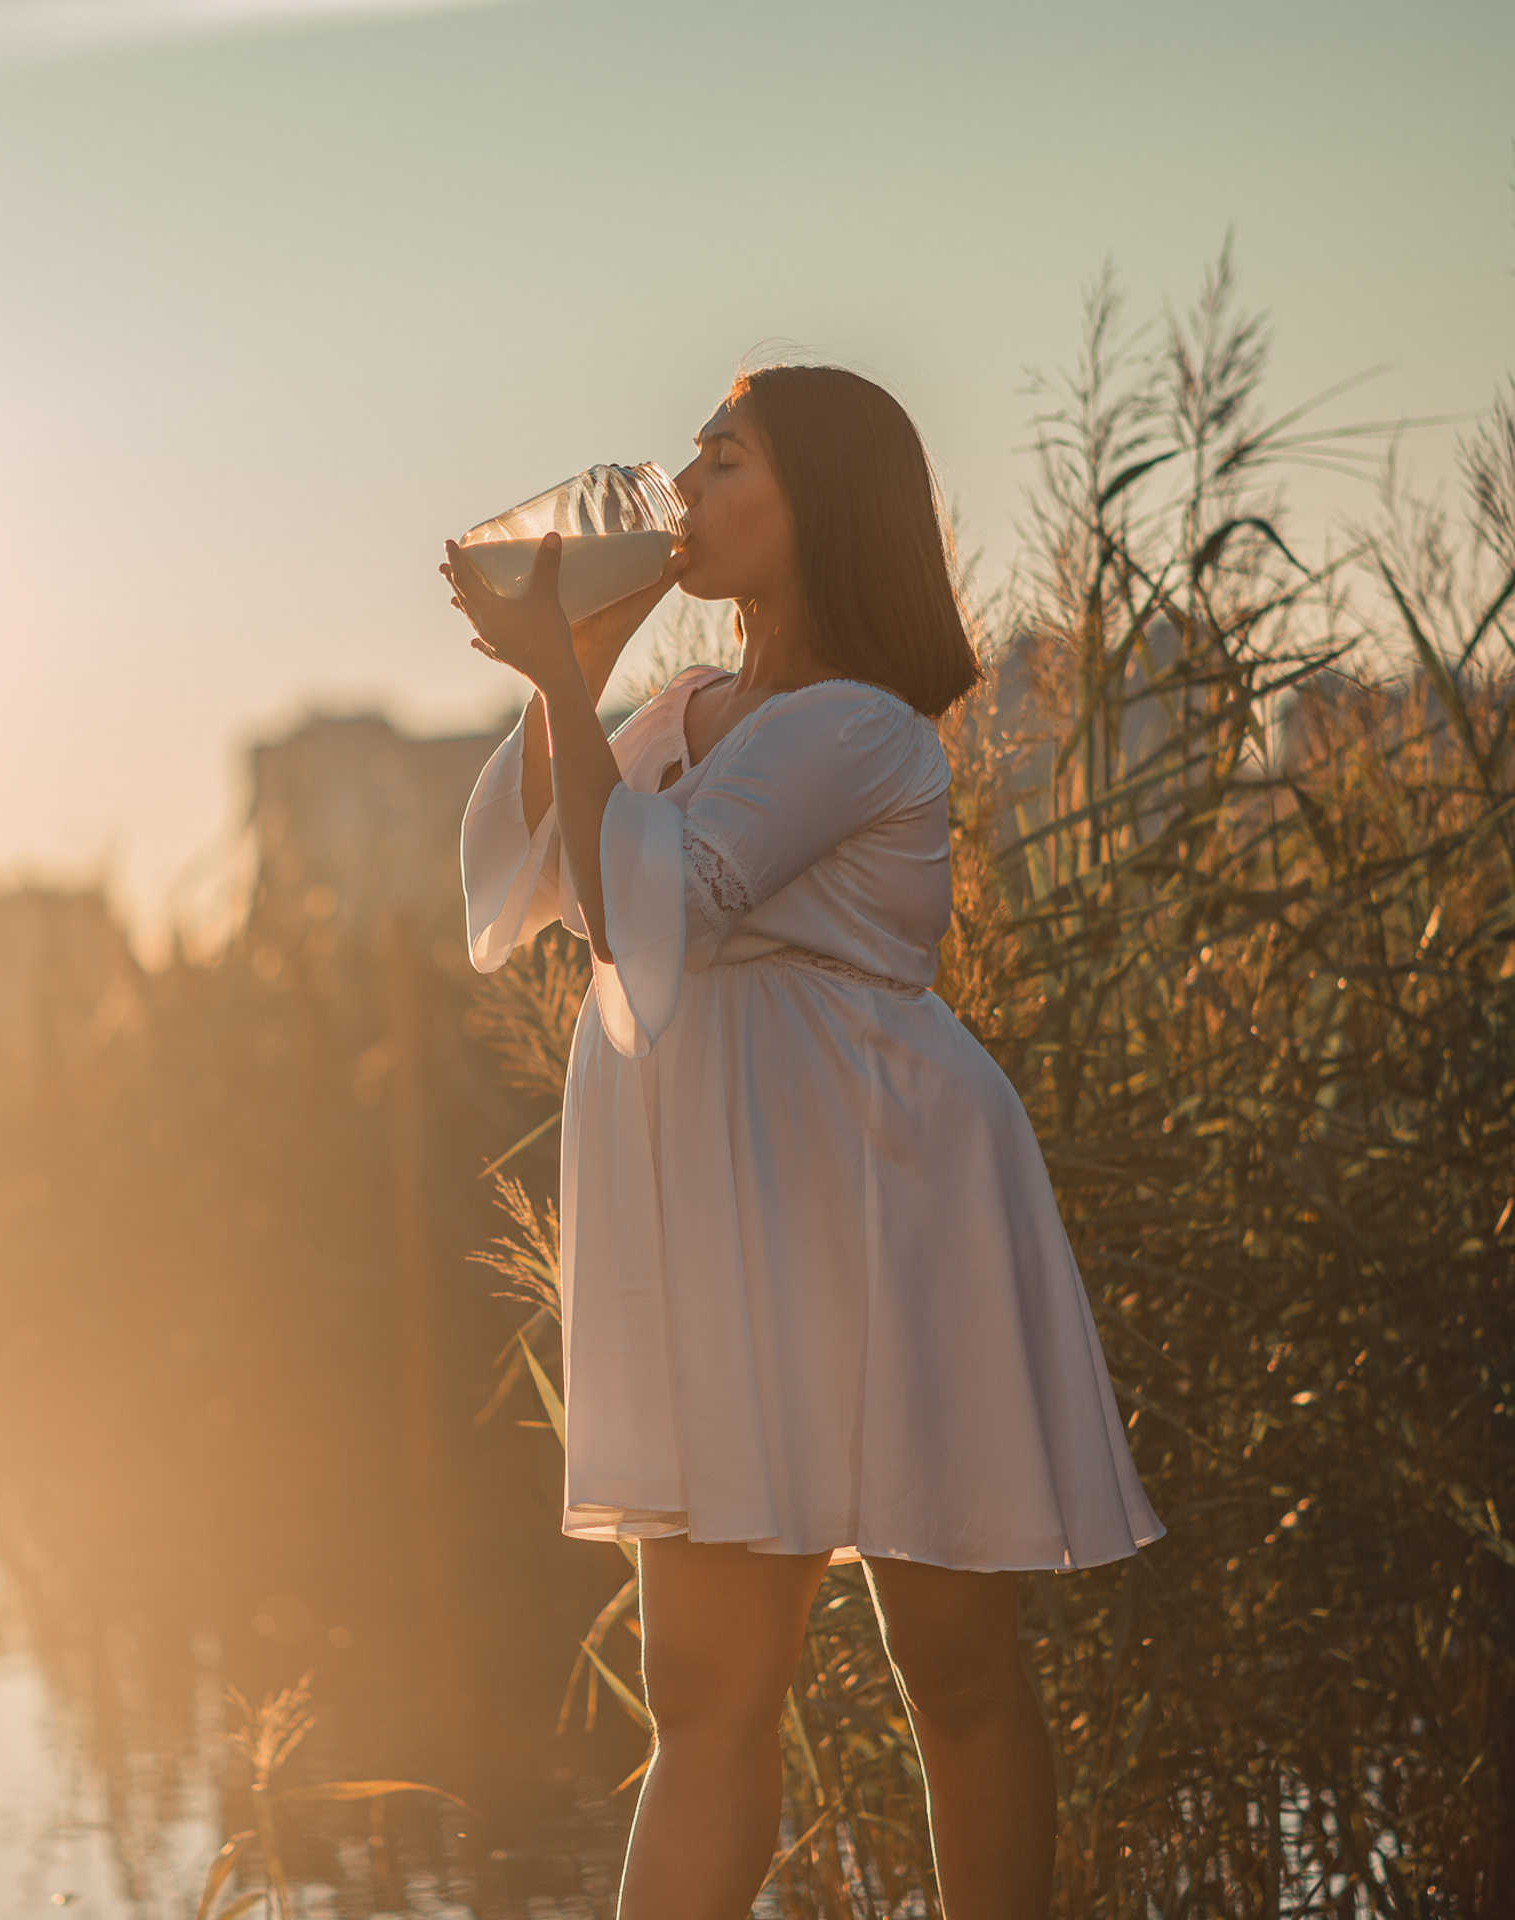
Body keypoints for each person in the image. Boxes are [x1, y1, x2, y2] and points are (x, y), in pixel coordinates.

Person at [445, 365, 1162, 1920]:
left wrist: (569, 679)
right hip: (717, 1213)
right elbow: (534, 886)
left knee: (950, 1664)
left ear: (817, 505)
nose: (683, 493)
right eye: (689, 466)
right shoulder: (682, 714)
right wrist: (573, 658)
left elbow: (673, 900)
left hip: (890, 1189)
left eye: (720, 462)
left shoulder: (856, 726)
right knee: (704, 1689)